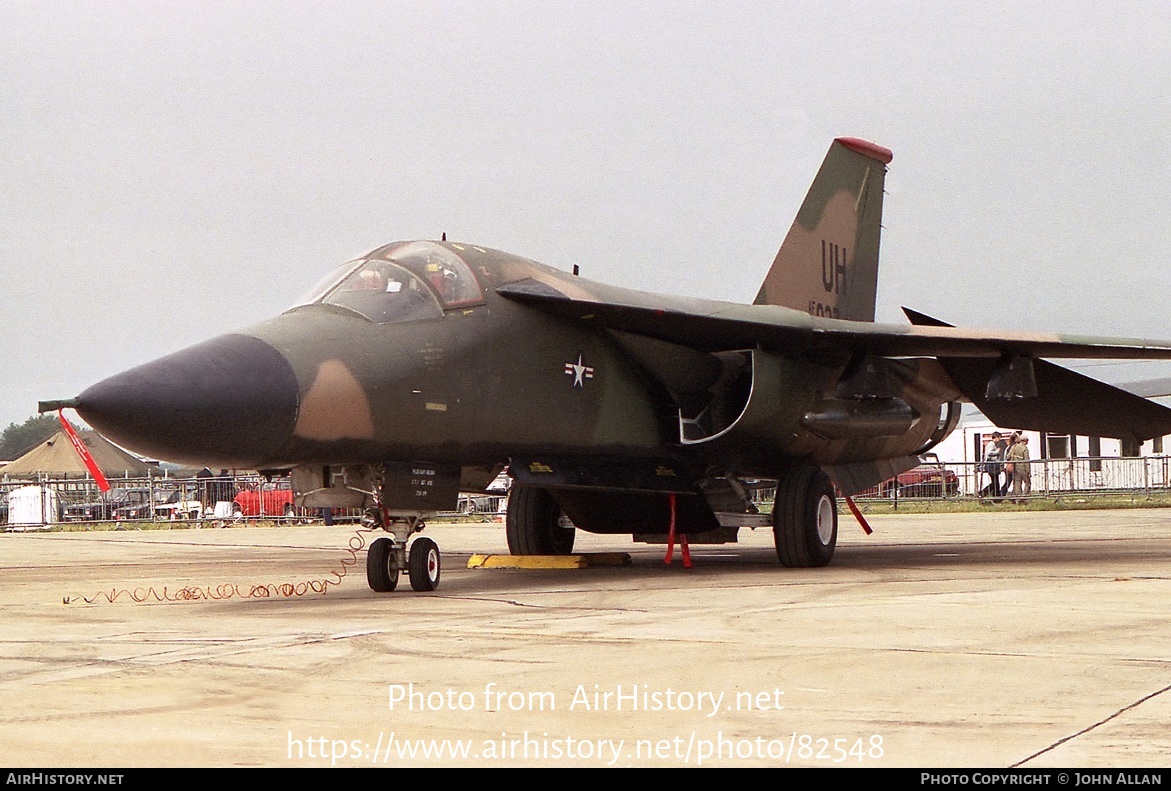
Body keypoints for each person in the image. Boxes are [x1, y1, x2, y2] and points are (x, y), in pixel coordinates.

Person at [1006, 435, 1031, 503]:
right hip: (1023, 468)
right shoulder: (1025, 449)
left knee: (1017, 483)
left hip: (1015, 467)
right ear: (1025, 441)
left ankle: (1018, 498)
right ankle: (1024, 497)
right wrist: (1028, 471)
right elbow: (1026, 461)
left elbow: (1008, 457)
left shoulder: (1014, 447)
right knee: (1027, 483)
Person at [980, 432, 1005, 499]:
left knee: (995, 482)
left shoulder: (992, 444)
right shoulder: (992, 444)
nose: (999, 439)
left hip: (993, 465)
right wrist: (997, 451)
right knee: (995, 482)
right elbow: (989, 453)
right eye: (999, 437)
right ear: (996, 437)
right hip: (992, 465)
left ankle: (995, 495)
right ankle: (983, 493)